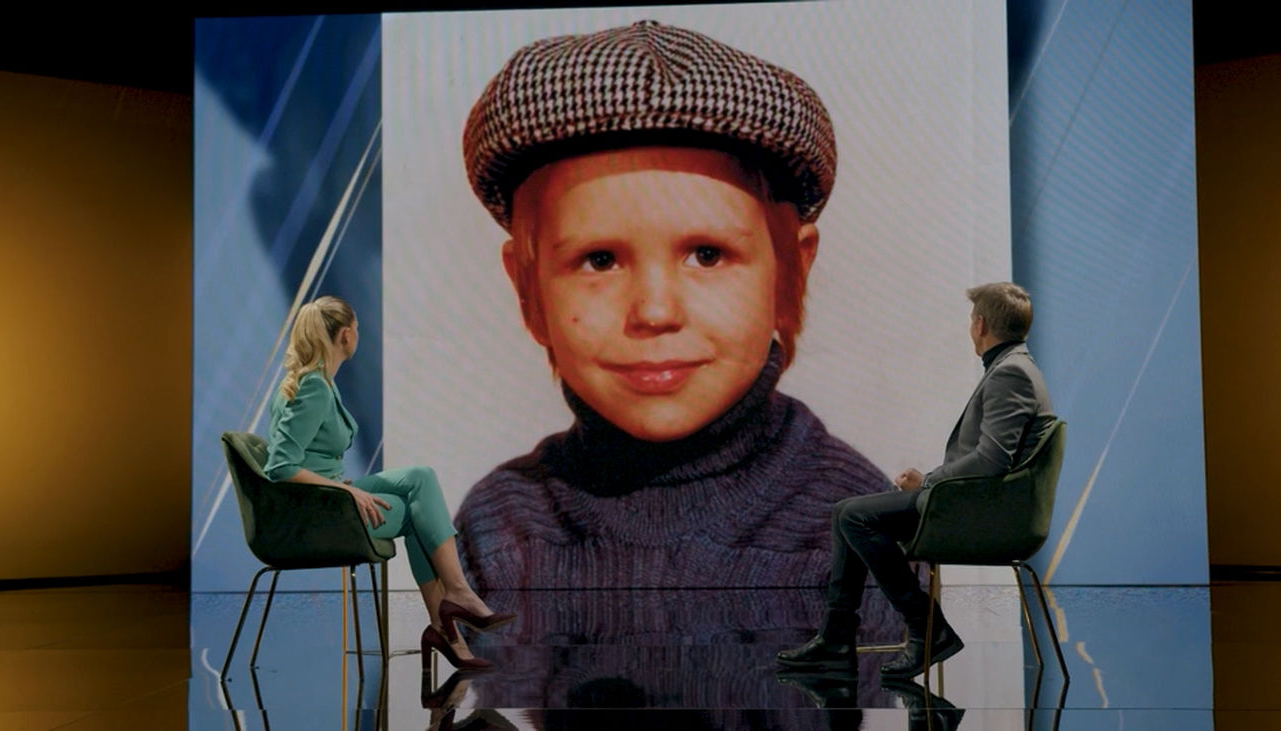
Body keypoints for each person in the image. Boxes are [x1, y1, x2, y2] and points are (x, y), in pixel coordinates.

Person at [451, 20, 895, 591]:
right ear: (528, 292)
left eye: (707, 255)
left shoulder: (852, 523)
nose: (655, 312)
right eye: (600, 260)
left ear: (790, 274)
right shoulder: (500, 526)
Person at [776, 282, 1056, 680]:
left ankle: (925, 627)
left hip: (984, 514)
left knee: (853, 516)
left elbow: (992, 461)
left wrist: (928, 482)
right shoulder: (1015, 367)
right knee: (847, 513)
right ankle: (837, 638)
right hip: (982, 504)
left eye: (970, 321)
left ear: (980, 325)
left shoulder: (1010, 374)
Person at [264, 295, 514, 670]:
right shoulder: (313, 387)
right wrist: (346, 489)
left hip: (329, 498)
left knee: (421, 478)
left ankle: (451, 612)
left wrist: (342, 485)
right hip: (321, 512)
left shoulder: (319, 383)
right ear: (346, 335)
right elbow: (279, 467)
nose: (358, 336)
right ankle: (451, 612)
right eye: (358, 331)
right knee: (417, 514)